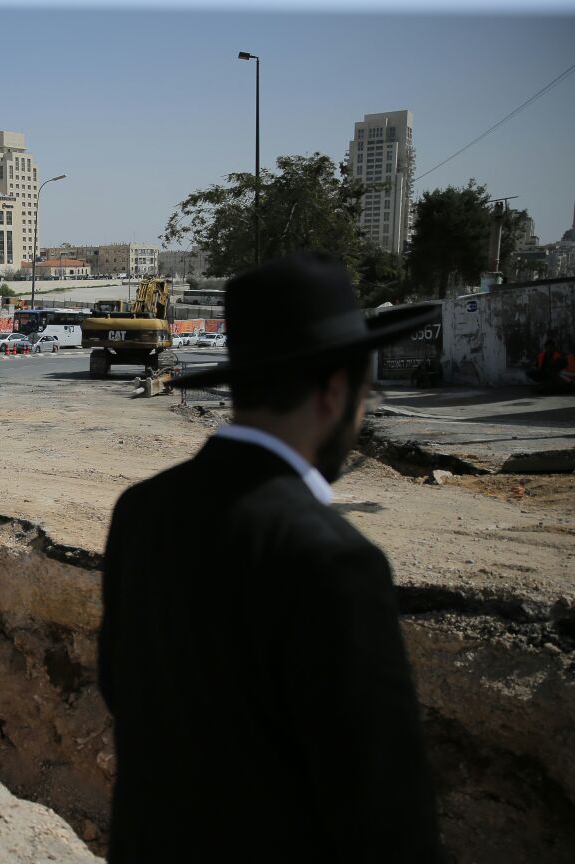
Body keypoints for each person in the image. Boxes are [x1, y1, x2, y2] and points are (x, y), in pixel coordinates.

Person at [99, 254, 443, 862]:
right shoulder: (334, 560)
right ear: (337, 390)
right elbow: (386, 817)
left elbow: (121, 690)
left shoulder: (140, 511)